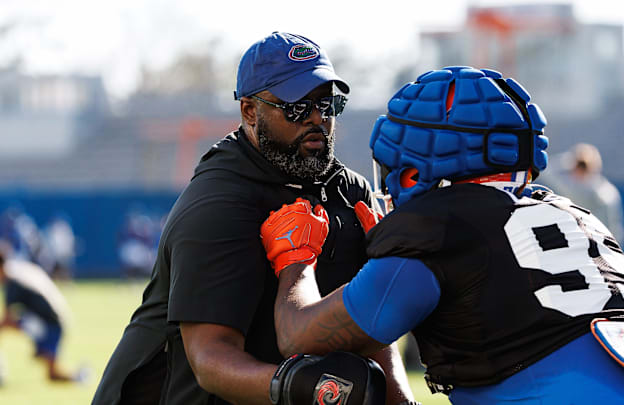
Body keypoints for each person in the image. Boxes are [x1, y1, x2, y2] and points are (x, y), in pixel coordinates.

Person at [260, 66, 624, 404]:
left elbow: (298, 337)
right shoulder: (575, 214)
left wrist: (295, 260)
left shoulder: (437, 230)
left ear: (412, 168)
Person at [92, 32, 414, 405]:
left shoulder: (348, 192)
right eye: (296, 106)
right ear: (249, 111)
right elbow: (210, 359)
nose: (315, 118)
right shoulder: (219, 204)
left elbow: (367, 332)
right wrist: (300, 387)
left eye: (326, 104)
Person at [0, 242, 74, 382]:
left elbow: (7, 319)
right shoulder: (18, 269)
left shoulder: (12, 281)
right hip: (56, 318)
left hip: (51, 323)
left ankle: (78, 376)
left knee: (53, 374)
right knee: (52, 374)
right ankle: (41, 348)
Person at [540, 143, 624, 245]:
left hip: (586, 242)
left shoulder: (574, 189)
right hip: (599, 243)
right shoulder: (608, 190)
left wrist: (567, 159)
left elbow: (547, 169)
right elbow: (615, 229)